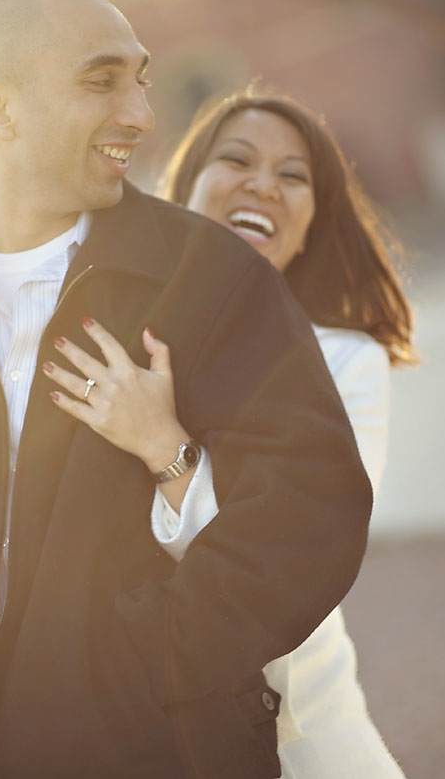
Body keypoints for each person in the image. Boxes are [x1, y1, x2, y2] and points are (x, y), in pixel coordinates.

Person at [0, 0, 371, 779]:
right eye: (100, 80)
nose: (141, 116)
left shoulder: (214, 279)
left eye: (140, 79)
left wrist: (141, 669)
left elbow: (309, 516)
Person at [159, 89, 416, 778]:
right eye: (235, 158)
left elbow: (286, 560)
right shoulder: (120, 336)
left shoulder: (343, 361)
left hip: (290, 718)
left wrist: (162, 450)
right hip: (122, 711)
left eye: (292, 174)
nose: (262, 184)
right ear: (182, 191)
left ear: (310, 222)